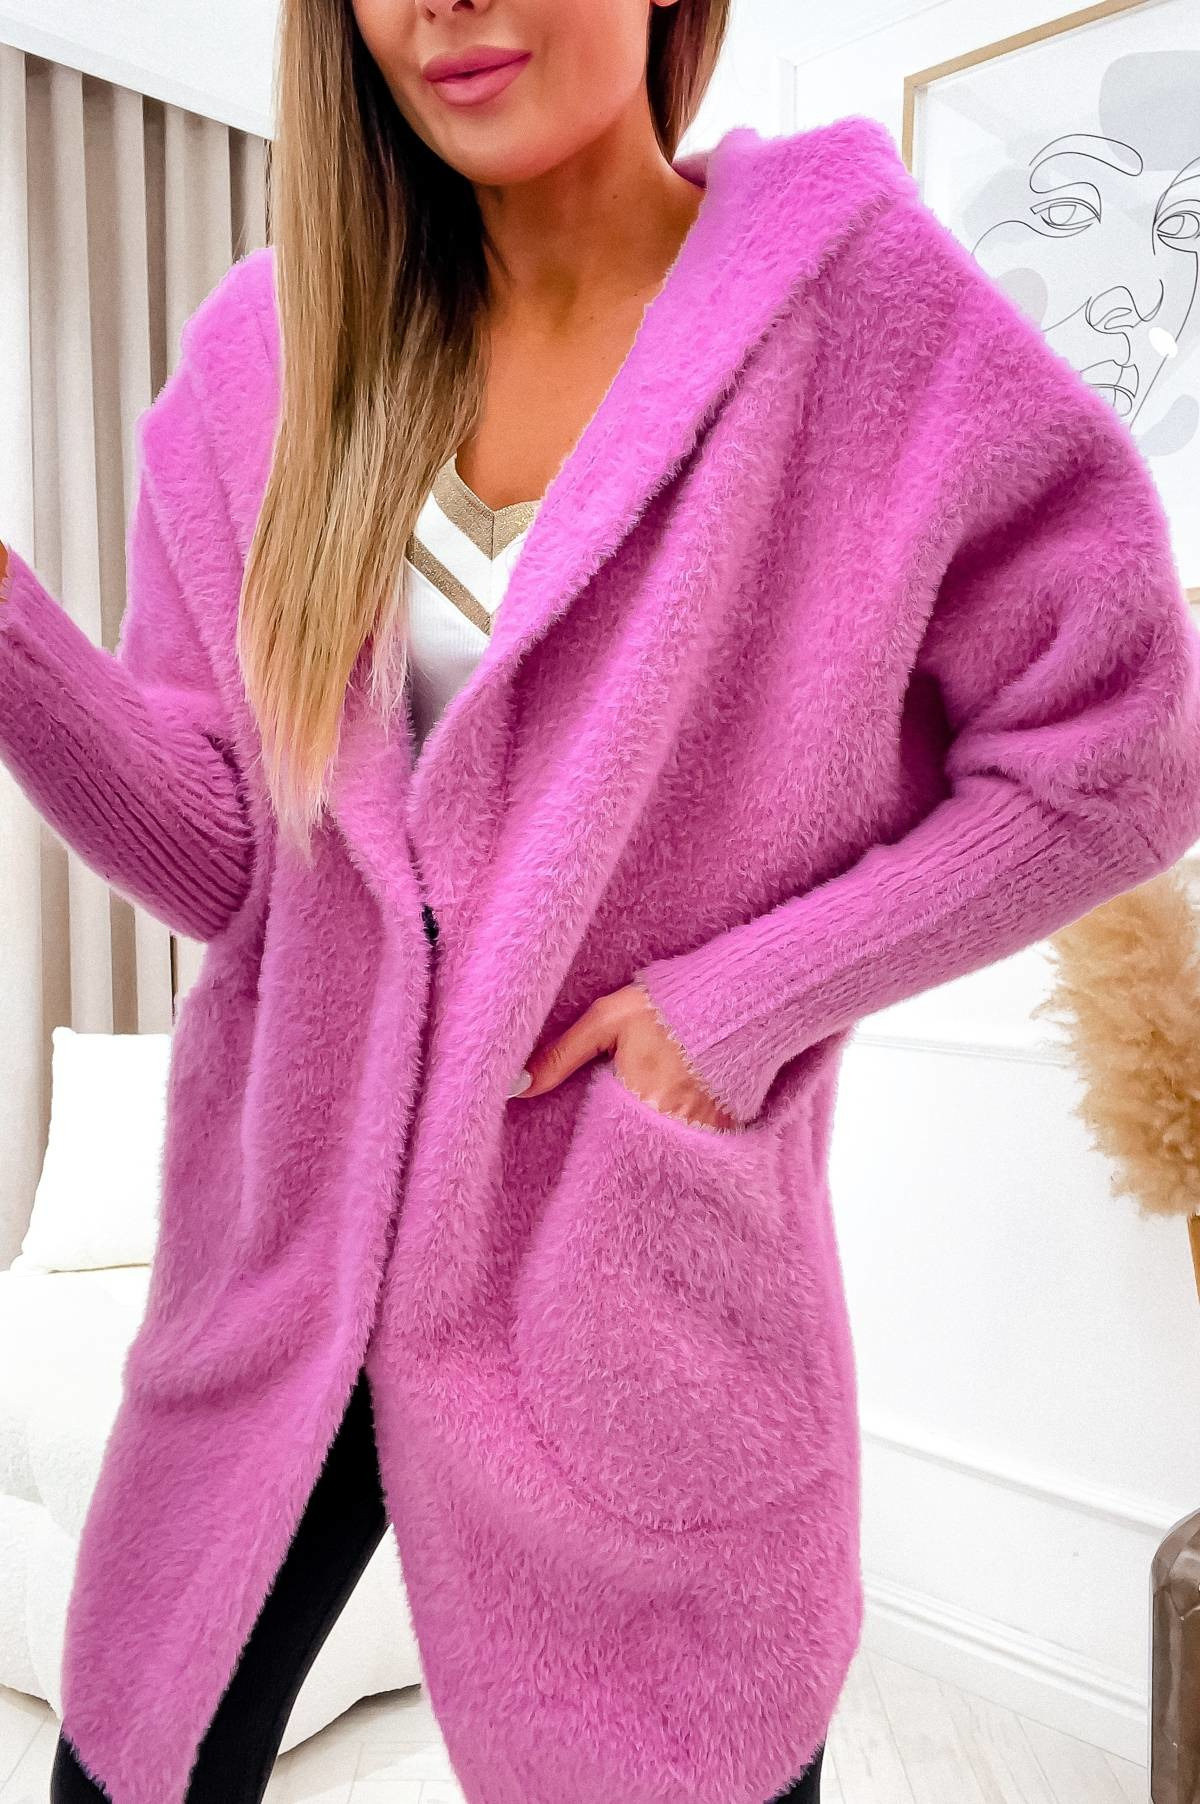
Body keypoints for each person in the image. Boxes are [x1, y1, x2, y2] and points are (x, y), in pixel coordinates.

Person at [4, 0, 1200, 1800]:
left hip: (615, 1279)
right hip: (288, 1258)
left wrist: (740, 1008)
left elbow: (1118, 759)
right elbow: (236, 869)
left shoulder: (857, 314)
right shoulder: (262, 365)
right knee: (131, 1768)